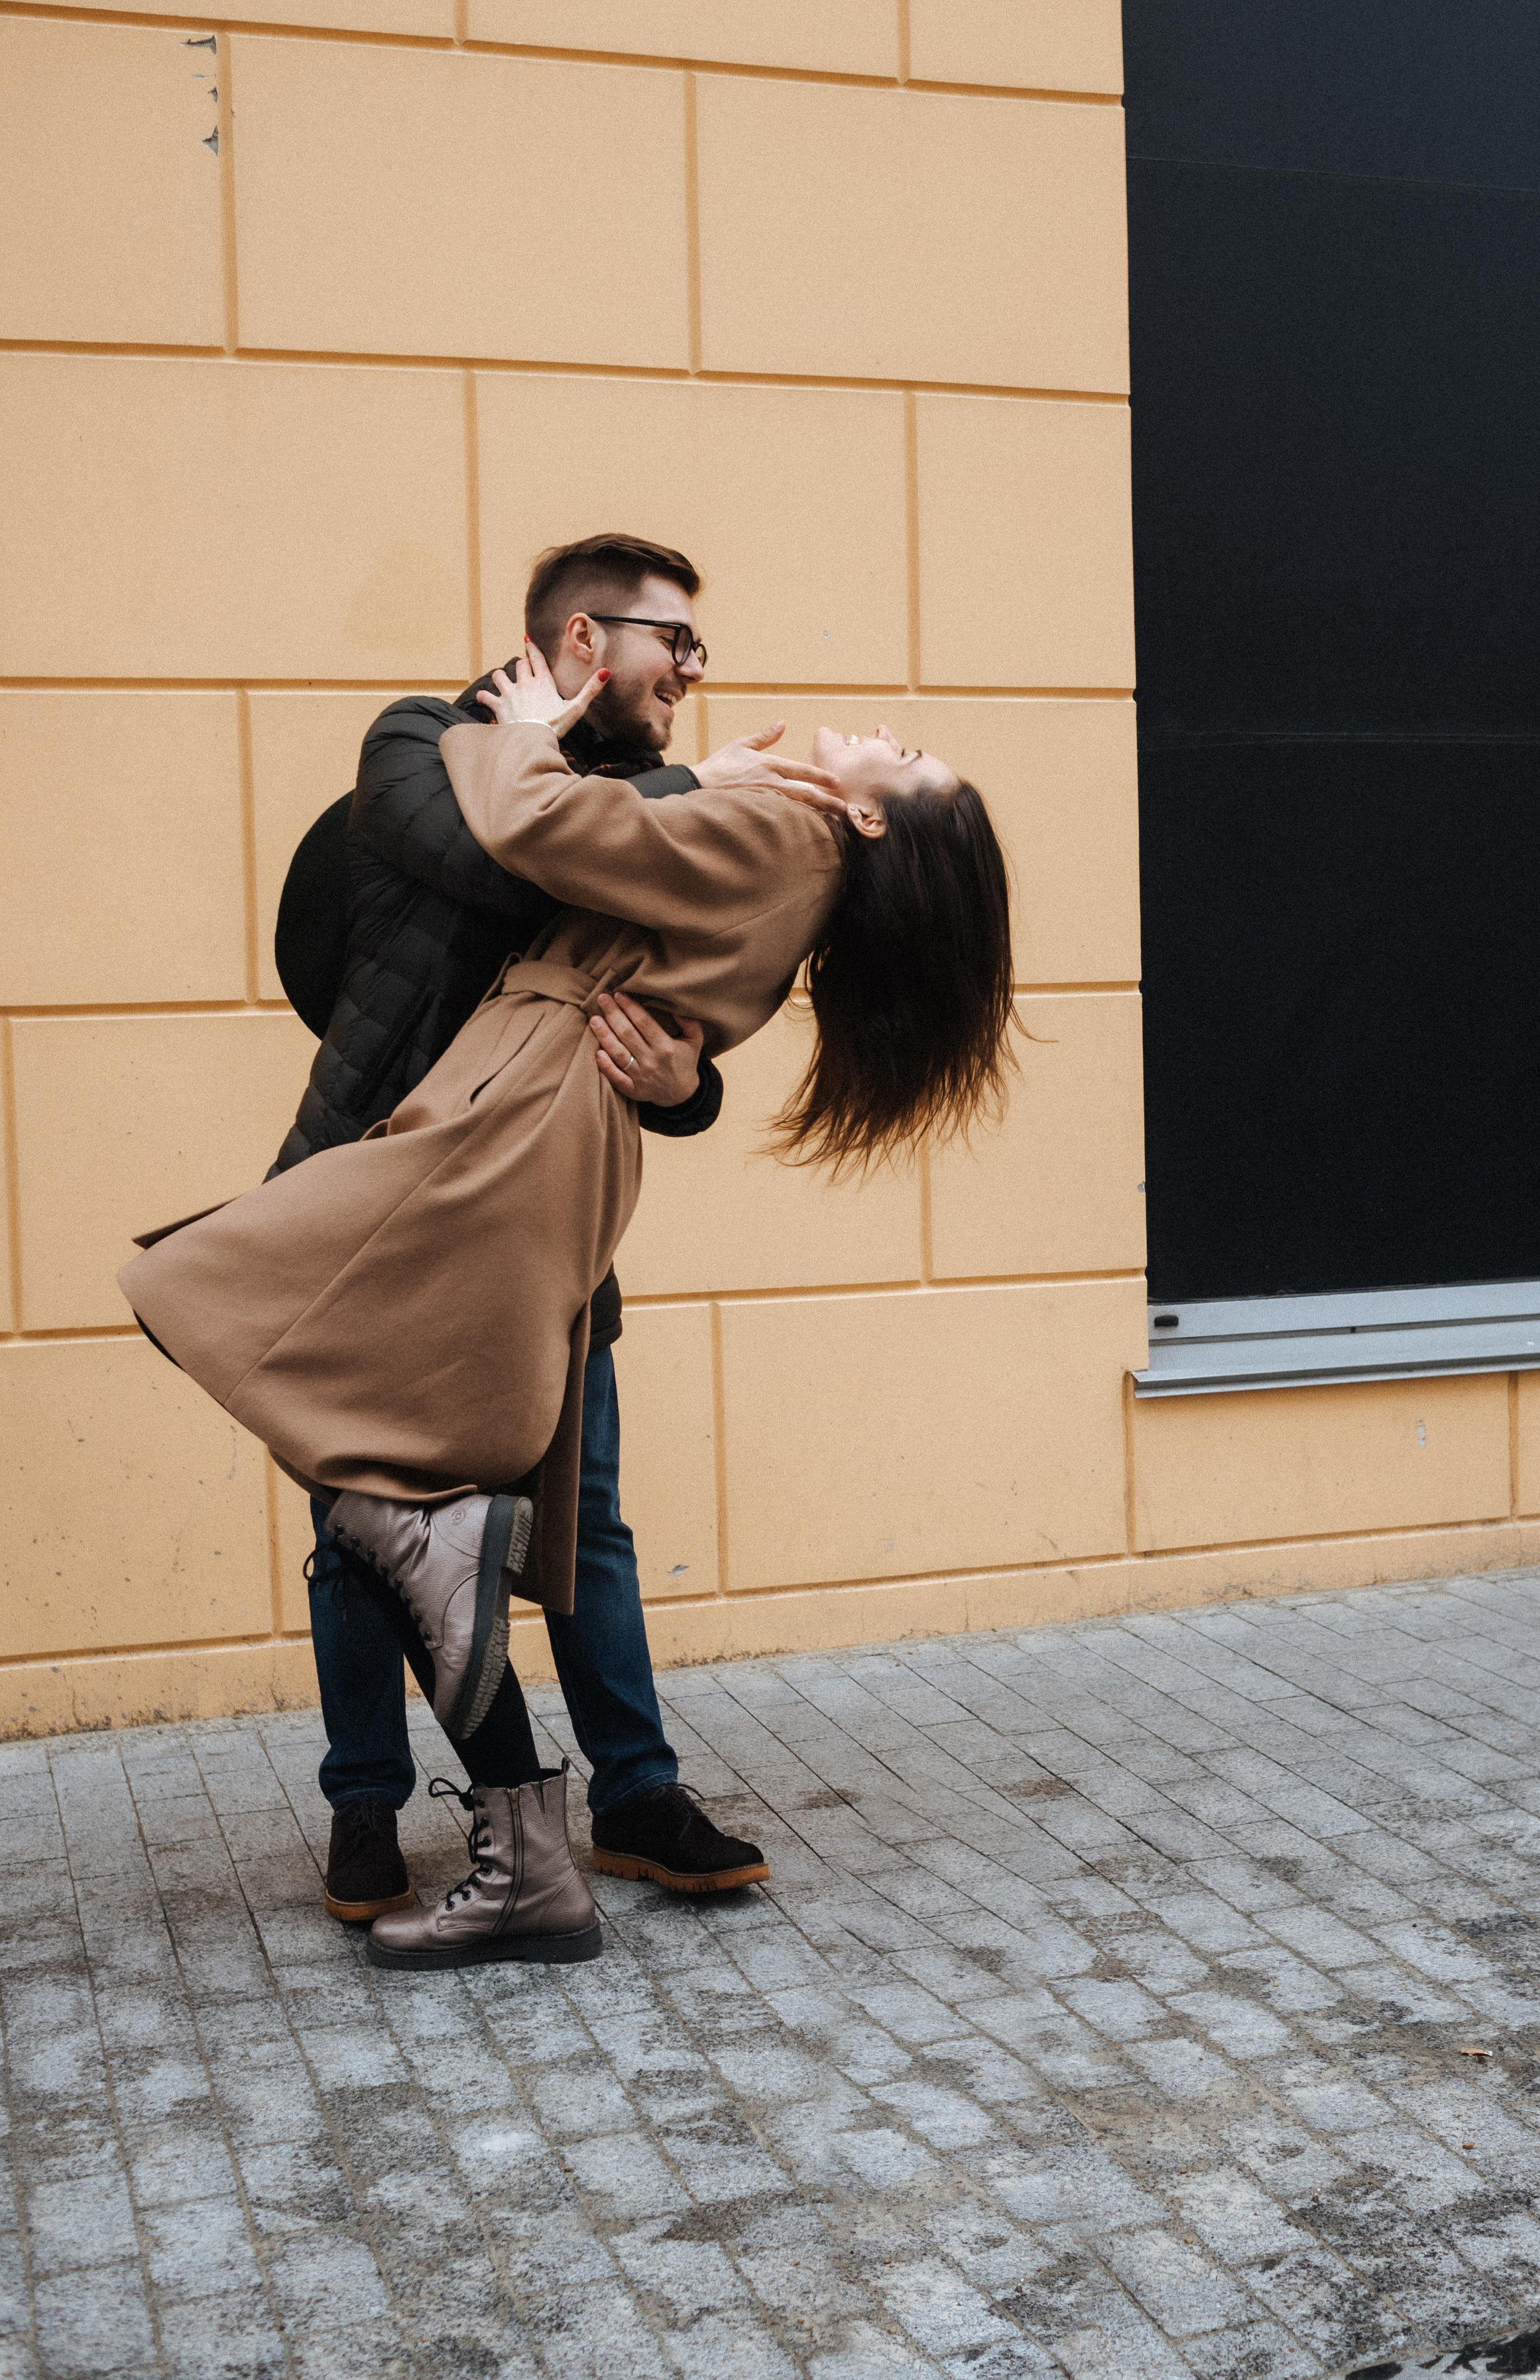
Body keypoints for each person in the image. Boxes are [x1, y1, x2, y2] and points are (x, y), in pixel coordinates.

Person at [121, 634, 1016, 1974]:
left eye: (910, 754)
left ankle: (532, 1856)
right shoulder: (770, 835)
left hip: (512, 1140)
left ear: (875, 809)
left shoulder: (788, 833)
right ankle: (501, 1841)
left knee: (328, 1429)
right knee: (378, 1480)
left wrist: (528, 727)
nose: (885, 727)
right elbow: (630, 944)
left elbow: (537, 824)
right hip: (503, 1129)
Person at [276, 534, 840, 1921]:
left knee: (582, 1526)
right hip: (368, 1205)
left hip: (542, 1237)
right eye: (678, 646)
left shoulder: (617, 805)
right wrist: (692, 788)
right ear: (588, 641)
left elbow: (674, 998)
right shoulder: (424, 742)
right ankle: (365, 1807)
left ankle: (635, 1793)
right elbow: (498, 862)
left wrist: (685, 1085)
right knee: (363, 1530)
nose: (698, 676)